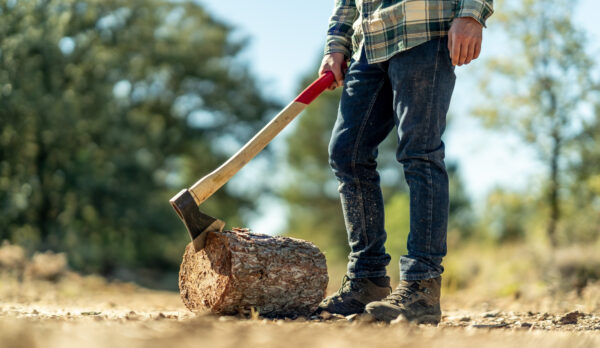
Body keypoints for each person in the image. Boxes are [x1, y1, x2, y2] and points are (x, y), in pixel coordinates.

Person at [316, 0, 494, 324]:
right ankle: (367, 279)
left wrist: (472, 12)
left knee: (420, 151)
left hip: (423, 26)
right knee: (347, 154)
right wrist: (337, 42)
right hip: (369, 41)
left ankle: (421, 284)